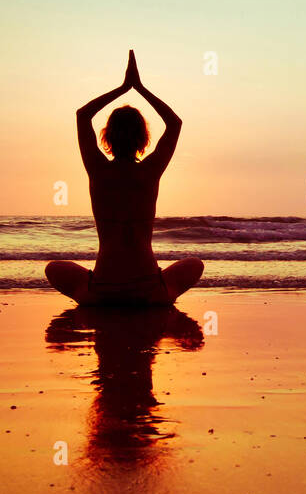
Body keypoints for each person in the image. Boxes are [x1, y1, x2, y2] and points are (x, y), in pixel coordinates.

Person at [44, 50, 203, 305]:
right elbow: (174, 123)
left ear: (106, 137)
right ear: (143, 138)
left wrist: (122, 88)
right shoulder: (149, 172)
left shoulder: (98, 170)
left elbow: (82, 115)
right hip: (149, 292)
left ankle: (100, 294)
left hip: (101, 292)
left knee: (53, 268)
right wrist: (139, 88)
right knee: (195, 264)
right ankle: (156, 291)